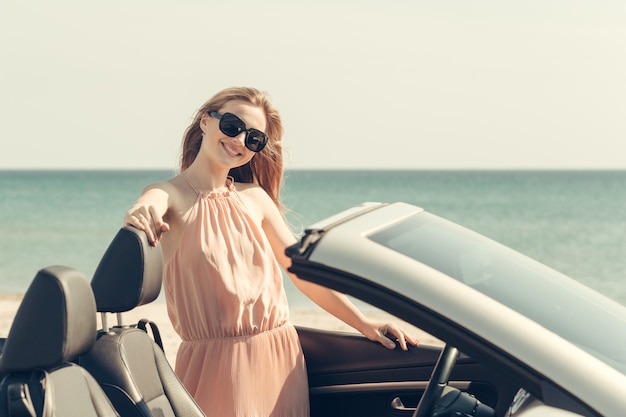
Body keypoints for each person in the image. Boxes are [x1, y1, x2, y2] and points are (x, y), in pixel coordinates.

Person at [124, 86, 419, 416]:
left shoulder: (256, 199)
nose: (239, 141)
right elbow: (150, 202)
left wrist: (364, 324)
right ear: (206, 121)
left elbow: (302, 274)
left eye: (254, 139)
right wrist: (141, 211)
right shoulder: (170, 195)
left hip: (279, 356)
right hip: (215, 365)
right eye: (233, 126)